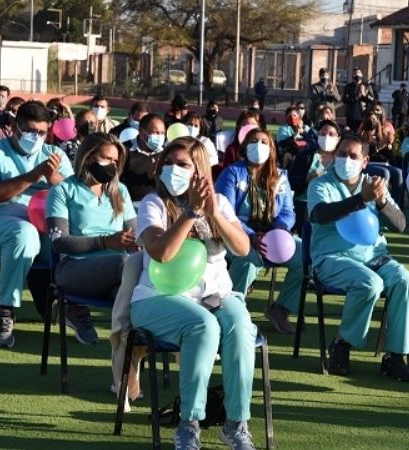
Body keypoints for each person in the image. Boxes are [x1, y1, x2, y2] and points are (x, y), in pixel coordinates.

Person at [131, 137, 258, 450]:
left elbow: (243, 248)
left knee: (241, 326)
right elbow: (162, 254)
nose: (173, 169)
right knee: (203, 325)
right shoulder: (153, 203)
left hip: (214, 295)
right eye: (168, 163)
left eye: (182, 164)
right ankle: (189, 424)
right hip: (157, 298)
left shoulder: (220, 203)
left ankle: (236, 424)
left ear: (199, 170)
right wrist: (190, 213)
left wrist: (214, 213)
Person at [307, 135, 409, 379]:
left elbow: (400, 225)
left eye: (353, 156)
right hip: (333, 257)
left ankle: (395, 356)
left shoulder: (374, 184)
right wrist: (361, 199)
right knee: (370, 283)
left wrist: (381, 202)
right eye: (341, 154)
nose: (346, 159)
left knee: (406, 283)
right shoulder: (321, 183)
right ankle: (342, 343)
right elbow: (320, 215)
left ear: (365, 161)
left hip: (374, 257)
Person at [0, 100, 74, 348]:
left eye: (41, 132)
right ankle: (5, 310)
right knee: (23, 232)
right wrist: (32, 176)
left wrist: (54, 179)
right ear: (15, 127)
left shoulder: (55, 156)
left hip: (46, 229)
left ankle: (74, 307)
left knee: (78, 236)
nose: (35, 137)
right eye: (29, 130)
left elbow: (76, 199)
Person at [46, 133, 137, 344]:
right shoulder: (62, 191)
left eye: (115, 161)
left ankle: (127, 349)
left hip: (117, 273)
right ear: (88, 157)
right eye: (107, 158)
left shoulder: (120, 191)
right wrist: (105, 242)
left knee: (131, 289)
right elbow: (58, 242)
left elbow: (136, 233)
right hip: (73, 269)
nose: (112, 165)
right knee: (127, 264)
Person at [216, 128, 303, 334]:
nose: (259, 146)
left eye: (265, 142)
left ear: (272, 149)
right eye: (253, 141)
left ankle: (281, 308)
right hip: (236, 235)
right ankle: (232, 311)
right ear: (244, 147)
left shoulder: (280, 176)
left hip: (272, 235)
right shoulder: (232, 173)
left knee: (304, 256)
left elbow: (288, 211)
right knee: (247, 258)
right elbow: (226, 213)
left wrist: (279, 231)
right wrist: (251, 235)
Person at [289, 120, 340, 236]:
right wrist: (306, 179)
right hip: (305, 204)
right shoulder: (305, 156)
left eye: (331, 134)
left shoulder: (342, 159)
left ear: (338, 138)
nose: (326, 137)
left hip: (333, 204)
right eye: (323, 133)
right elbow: (291, 182)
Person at [120, 113, 166, 201]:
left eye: (162, 133)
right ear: (141, 132)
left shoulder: (165, 153)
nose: (160, 137)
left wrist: (155, 177)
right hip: (129, 203)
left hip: (157, 203)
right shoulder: (125, 150)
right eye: (156, 133)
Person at [217, 110, 263, 177]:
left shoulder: (264, 148)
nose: (248, 128)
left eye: (253, 124)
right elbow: (227, 174)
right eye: (244, 125)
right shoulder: (231, 150)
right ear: (238, 127)